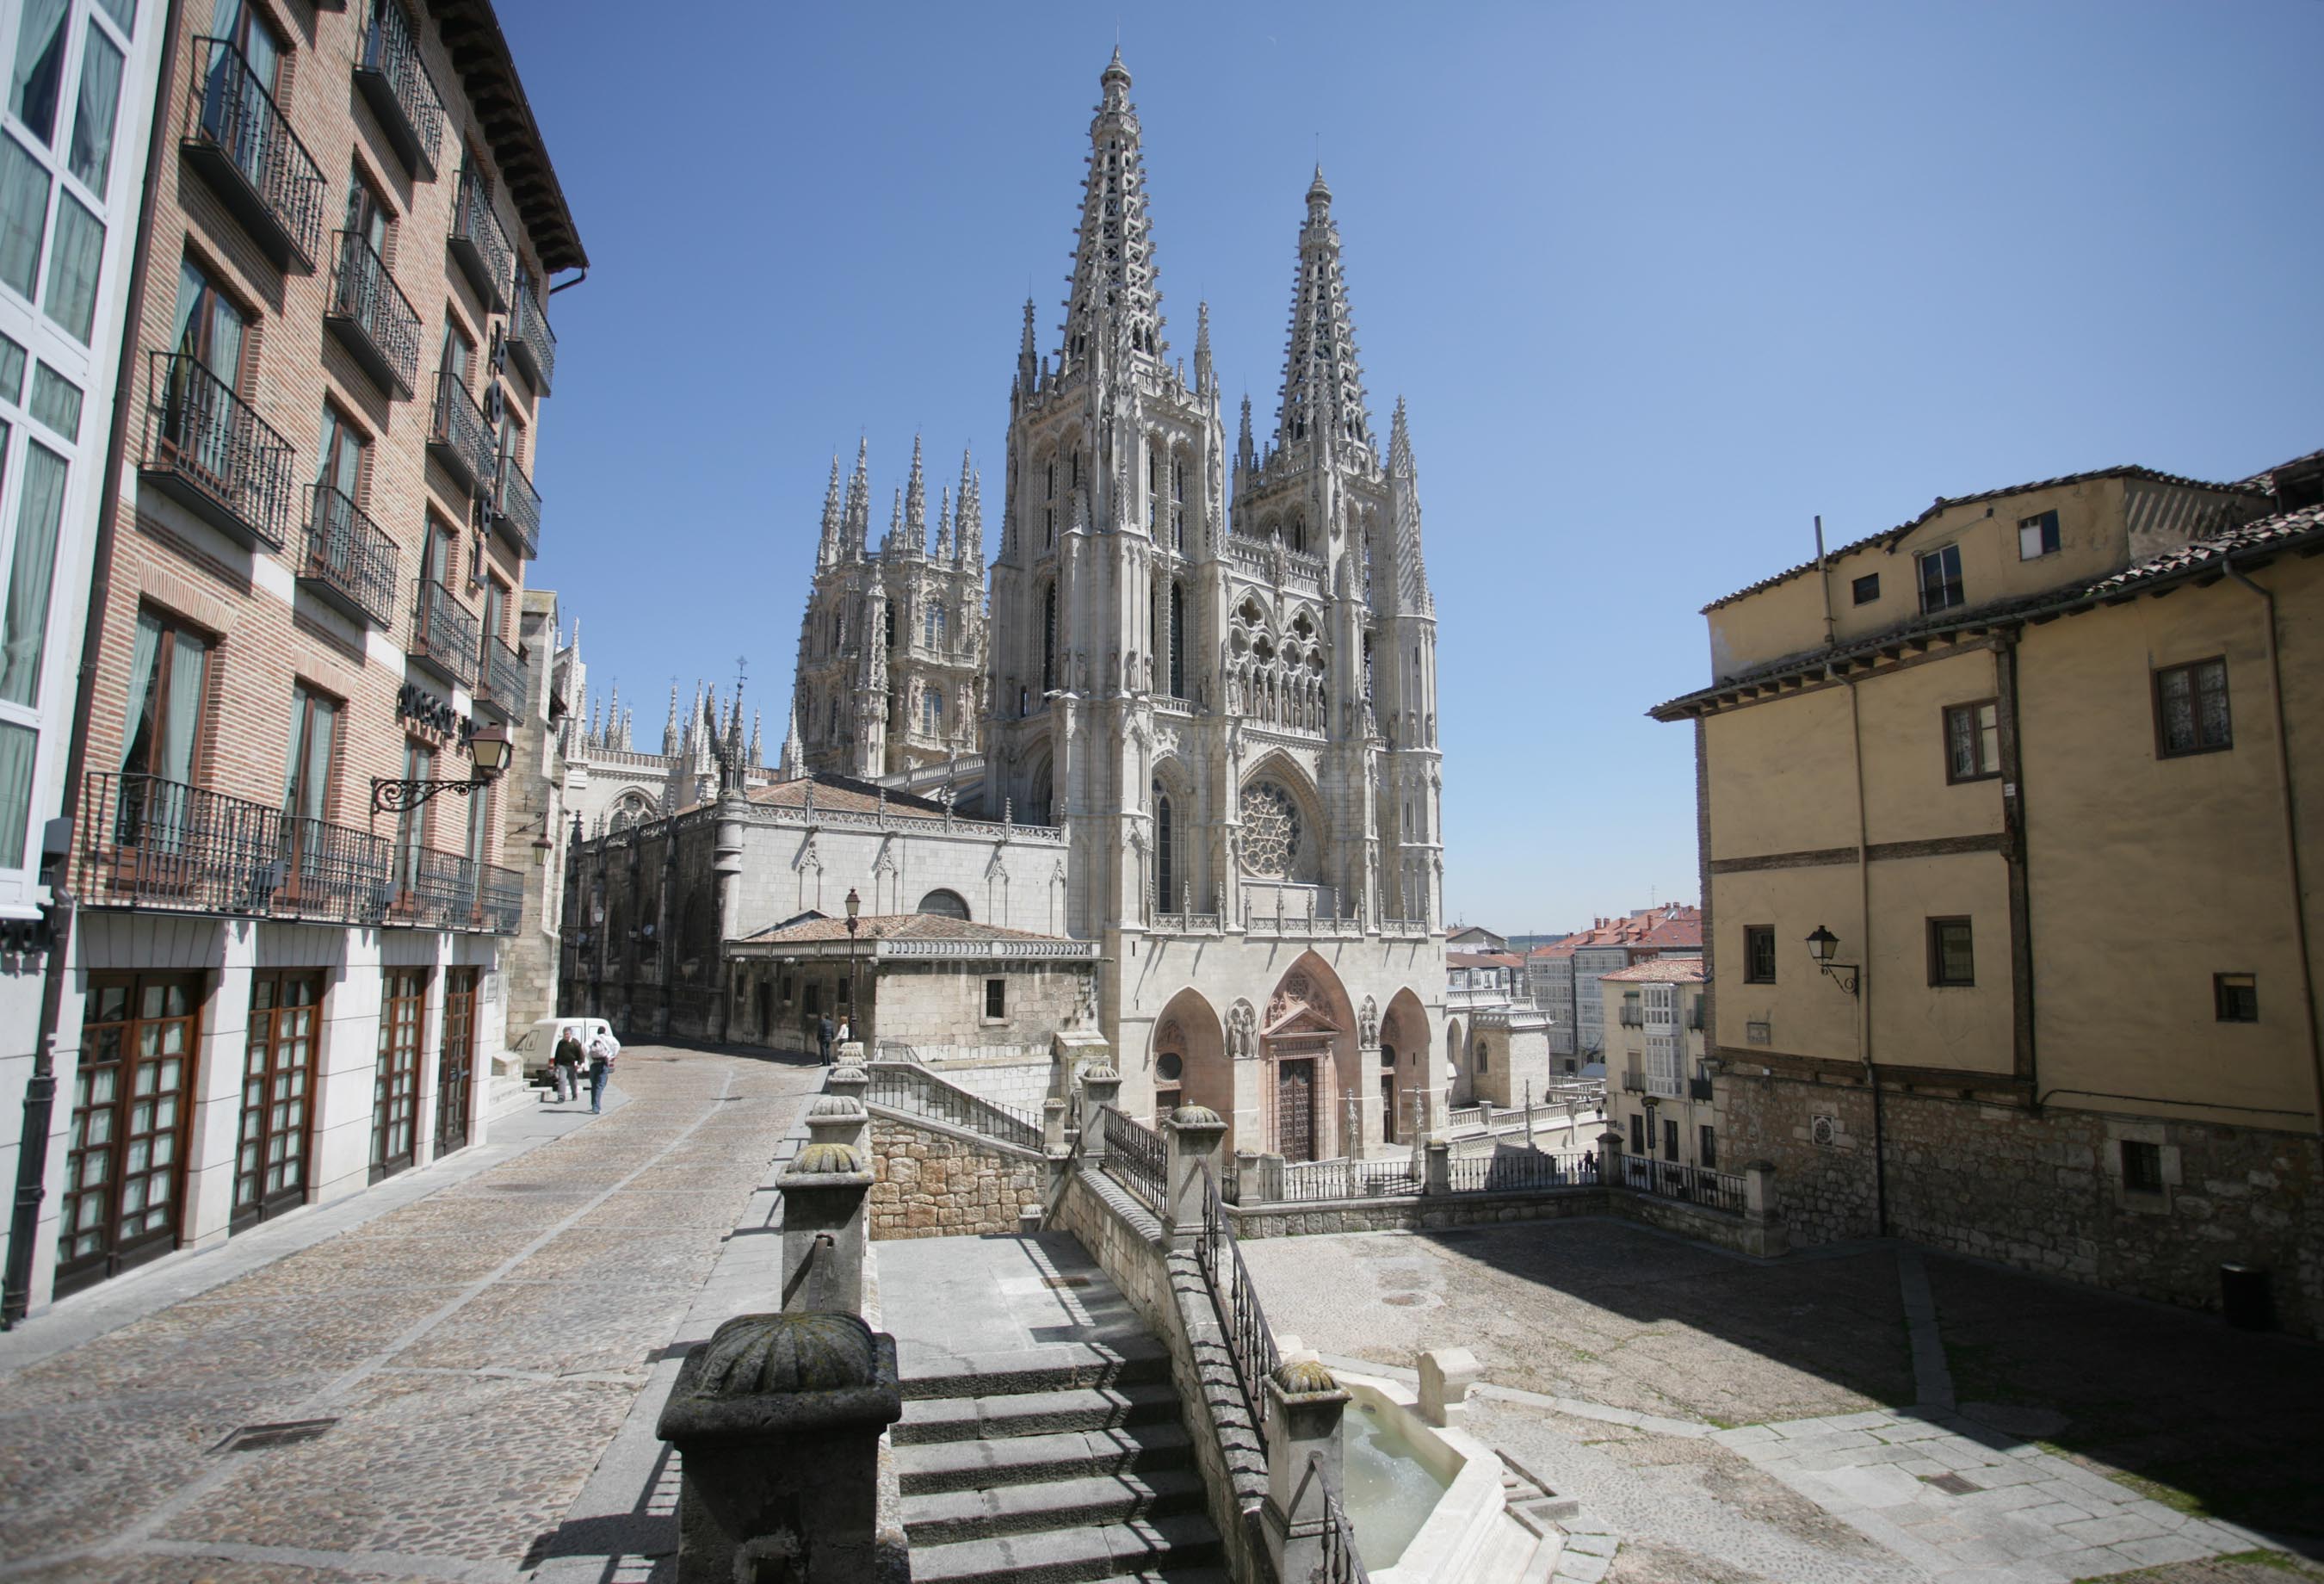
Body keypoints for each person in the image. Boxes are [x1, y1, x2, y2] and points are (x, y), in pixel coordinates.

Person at [586, 1026, 619, 1114]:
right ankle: (596, 1108)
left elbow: (584, 1047)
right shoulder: (609, 1039)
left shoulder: (593, 1038)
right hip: (603, 1063)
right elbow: (617, 1046)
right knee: (599, 1086)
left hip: (593, 1064)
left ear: (597, 1032)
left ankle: (594, 1105)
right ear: (605, 1032)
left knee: (594, 1085)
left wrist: (590, 1058)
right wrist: (611, 1056)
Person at [551, 1025, 583, 1103]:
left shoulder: (575, 1042)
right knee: (562, 1080)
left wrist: (579, 1063)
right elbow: (557, 1054)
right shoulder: (561, 1043)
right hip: (562, 1065)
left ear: (570, 1034)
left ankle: (574, 1094)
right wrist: (555, 1065)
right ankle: (561, 1097)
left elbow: (580, 1054)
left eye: (567, 1034)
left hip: (572, 1065)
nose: (566, 1036)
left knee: (573, 1081)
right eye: (565, 1034)